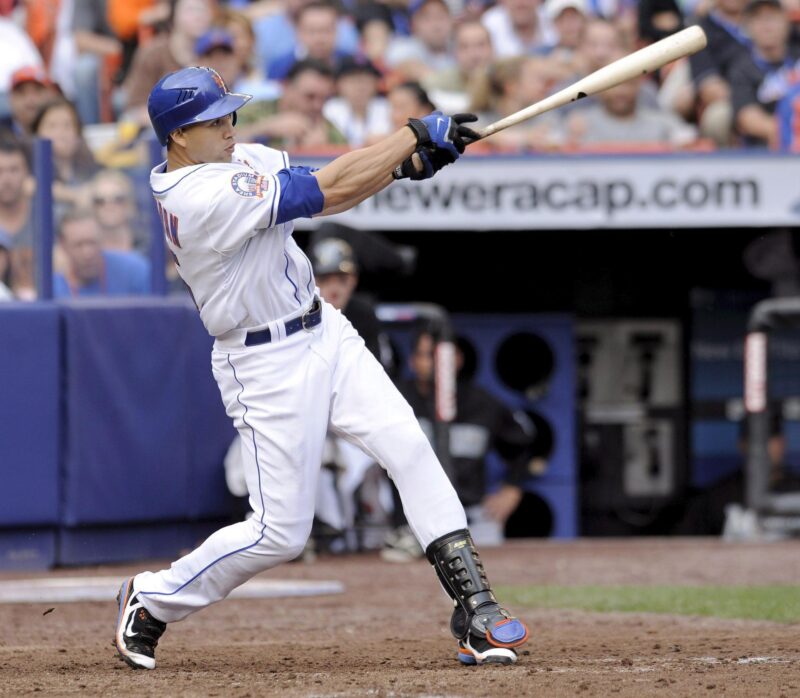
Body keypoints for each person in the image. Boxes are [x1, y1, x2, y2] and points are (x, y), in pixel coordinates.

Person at [114, 65, 528, 671]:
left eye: (230, 114)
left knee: (409, 447)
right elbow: (326, 191)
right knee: (279, 533)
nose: (230, 127)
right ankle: (152, 598)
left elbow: (329, 190)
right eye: (214, 120)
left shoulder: (233, 158)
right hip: (262, 362)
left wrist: (401, 167)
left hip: (323, 328)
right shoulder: (196, 195)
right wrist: (410, 136)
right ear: (178, 135)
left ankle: (477, 610)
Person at [383, 328, 537, 561]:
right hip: (407, 523)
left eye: (442, 354)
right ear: (413, 361)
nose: (435, 362)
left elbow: (523, 444)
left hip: (471, 520)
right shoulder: (393, 400)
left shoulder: (485, 404)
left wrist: (512, 488)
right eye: (427, 355)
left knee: (489, 573)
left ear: (457, 359)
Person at [729, 0, 800, 148]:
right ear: (748, 27)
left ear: (786, 22)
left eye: (772, 18)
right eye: (758, 20)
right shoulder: (741, 68)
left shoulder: (797, 57)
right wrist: (785, 130)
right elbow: (746, 116)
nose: (767, 26)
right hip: (765, 150)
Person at [236, 59, 347, 148]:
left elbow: (346, 155)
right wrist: (264, 129)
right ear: (287, 88)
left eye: (324, 98)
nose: (317, 105)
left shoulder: (328, 129)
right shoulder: (252, 112)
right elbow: (229, 141)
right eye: (310, 97)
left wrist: (322, 150)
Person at [53, 208, 150, 298]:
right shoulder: (53, 288)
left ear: (102, 239)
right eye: (78, 245)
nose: (87, 253)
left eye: (92, 242)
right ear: (63, 245)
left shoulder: (134, 271)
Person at [422, 20, 496, 114]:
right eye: (464, 47)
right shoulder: (437, 84)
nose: (473, 54)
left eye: (480, 45)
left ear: (492, 48)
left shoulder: (504, 80)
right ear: (454, 52)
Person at [266, 1, 352, 80]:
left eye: (326, 30)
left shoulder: (350, 64)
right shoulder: (280, 67)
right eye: (312, 31)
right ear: (298, 32)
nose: (319, 38)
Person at [323, 56, 390, 147]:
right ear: (338, 84)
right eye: (353, 81)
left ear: (376, 84)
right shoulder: (328, 109)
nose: (360, 87)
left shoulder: (387, 108)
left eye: (366, 81)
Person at [385, 0, 457, 81]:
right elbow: (407, 66)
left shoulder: (460, 46)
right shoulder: (404, 46)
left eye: (441, 17)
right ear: (413, 24)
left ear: (452, 21)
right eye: (427, 19)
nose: (436, 25)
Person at [0, 135, 35, 298]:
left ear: (26, 171)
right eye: (0, 171)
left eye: (14, 170)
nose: (6, 179)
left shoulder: (47, 217)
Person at [88, 169, 147, 253]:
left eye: (118, 199)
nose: (109, 206)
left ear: (130, 204)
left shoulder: (149, 246)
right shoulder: (85, 251)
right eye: (100, 201)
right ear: (93, 207)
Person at [1, 66, 59, 142]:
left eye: (37, 91)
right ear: (10, 98)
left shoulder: (61, 129)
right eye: (22, 92)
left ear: (49, 96)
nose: (30, 99)